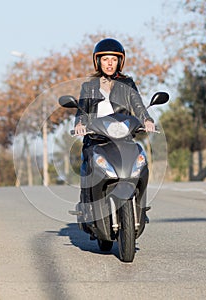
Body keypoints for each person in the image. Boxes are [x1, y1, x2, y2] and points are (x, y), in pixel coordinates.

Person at [74, 38, 155, 215]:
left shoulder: (127, 84)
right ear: (98, 61)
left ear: (120, 61)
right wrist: (80, 124)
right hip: (96, 139)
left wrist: (147, 120)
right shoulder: (89, 87)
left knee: (139, 162)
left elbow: (138, 105)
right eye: (105, 59)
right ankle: (86, 206)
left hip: (123, 139)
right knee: (88, 161)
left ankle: (140, 205)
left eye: (113, 59)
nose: (110, 63)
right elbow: (81, 111)